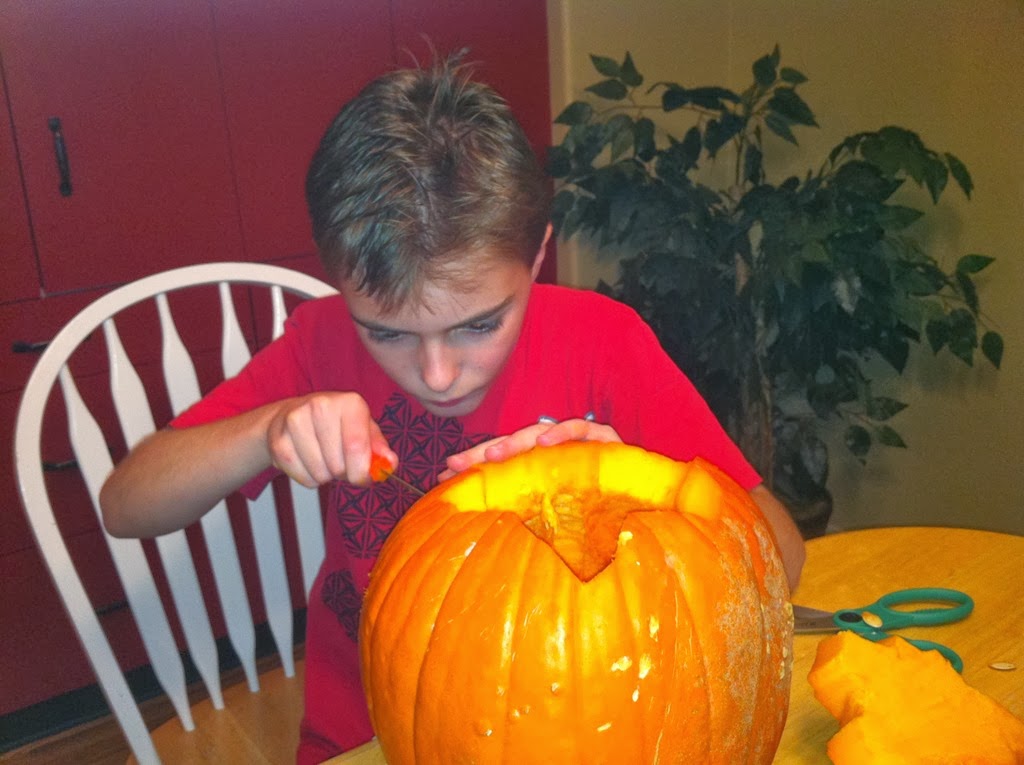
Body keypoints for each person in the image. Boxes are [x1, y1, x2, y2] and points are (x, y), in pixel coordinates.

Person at [100, 52, 805, 764]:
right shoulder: (318, 343)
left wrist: (634, 480)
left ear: (537, 257)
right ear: (340, 286)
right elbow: (126, 504)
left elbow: (783, 554)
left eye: (479, 324)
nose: (436, 375)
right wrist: (267, 428)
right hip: (368, 739)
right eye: (387, 333)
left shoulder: (605, 344)